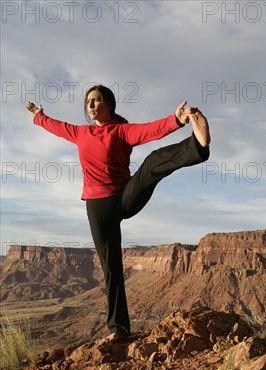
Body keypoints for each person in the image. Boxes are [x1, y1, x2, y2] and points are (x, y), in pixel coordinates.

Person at [26, 84, 210, 341]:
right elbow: (56, 127)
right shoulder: (80, 133)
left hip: (125, 196)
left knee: (153, 162)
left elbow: (150, 130)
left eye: (97, 100)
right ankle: (118, 330)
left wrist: (177, 120)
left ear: (109, 104)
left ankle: (197, 148)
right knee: (111, 268)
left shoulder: (121, 131)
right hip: (97, 206)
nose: (91, 105)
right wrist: (39, 116)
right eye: (88, 101)